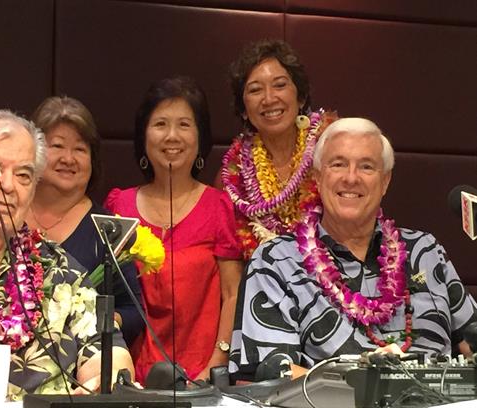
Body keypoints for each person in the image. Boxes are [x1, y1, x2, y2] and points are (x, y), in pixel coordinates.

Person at [229, 117, 477, 379]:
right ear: (318, 177)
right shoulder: (276, 261)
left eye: (366, 167)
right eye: (338, 164)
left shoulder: (425, 252)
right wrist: (366, 385)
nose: (351, 178)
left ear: (385, 181)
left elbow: (472, 343)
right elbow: (272, 372)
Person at [0, 110, 134, 406]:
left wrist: (105, 378)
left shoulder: (60, 270)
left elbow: (109, 352)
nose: (8, 185)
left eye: (24, 175)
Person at [104, 76, 243, 383]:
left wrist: (217, 362)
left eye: (184, 125)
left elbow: (233, 294)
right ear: (143, 136)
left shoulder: (219, 206)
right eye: (160, 124)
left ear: (200, 137)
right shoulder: (119, 206)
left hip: (203, 378)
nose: (171, 136)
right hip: (130, 376)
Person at [27, 96, 144, 346]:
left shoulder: (107, 228)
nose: (68, 158)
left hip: (83, 367)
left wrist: (92, 320)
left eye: (80, 149)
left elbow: (134, 313)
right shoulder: (6, 218)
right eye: (57, 146)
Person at [219, 39, 337, 260]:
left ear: (300, 97)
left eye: (280, 85)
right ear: (243, 109)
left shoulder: (331, 147)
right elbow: (230, 258)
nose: (269, 98)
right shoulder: (233, 179)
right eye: (255, 90)